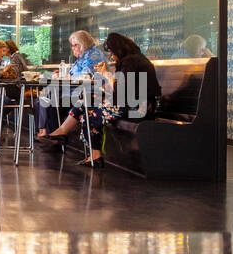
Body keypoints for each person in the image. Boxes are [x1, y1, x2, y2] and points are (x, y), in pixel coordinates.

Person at [38, 32, 160, 167]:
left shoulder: (132, 61)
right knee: (86, 100)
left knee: (91, 113)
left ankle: (91, 153)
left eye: (111, 52)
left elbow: (121, 90)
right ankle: (63, 134)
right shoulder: (129, 60)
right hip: (129, 103)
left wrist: (105, 75)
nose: (110, 56)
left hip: (140, 107)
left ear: (118, 49)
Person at [36, 29, 106, 138]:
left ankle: (53, 137)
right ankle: (49, 136)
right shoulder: (81, 57)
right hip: (74, 91)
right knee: (45, 99)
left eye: (75, 45)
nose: (72, 48)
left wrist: (67, 77)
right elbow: (72, 74)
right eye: (72, 45)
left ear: (83, 44)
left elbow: (85, 75)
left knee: (52, 102)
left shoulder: (94, 55)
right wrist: (63, 75)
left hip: (87, 93)